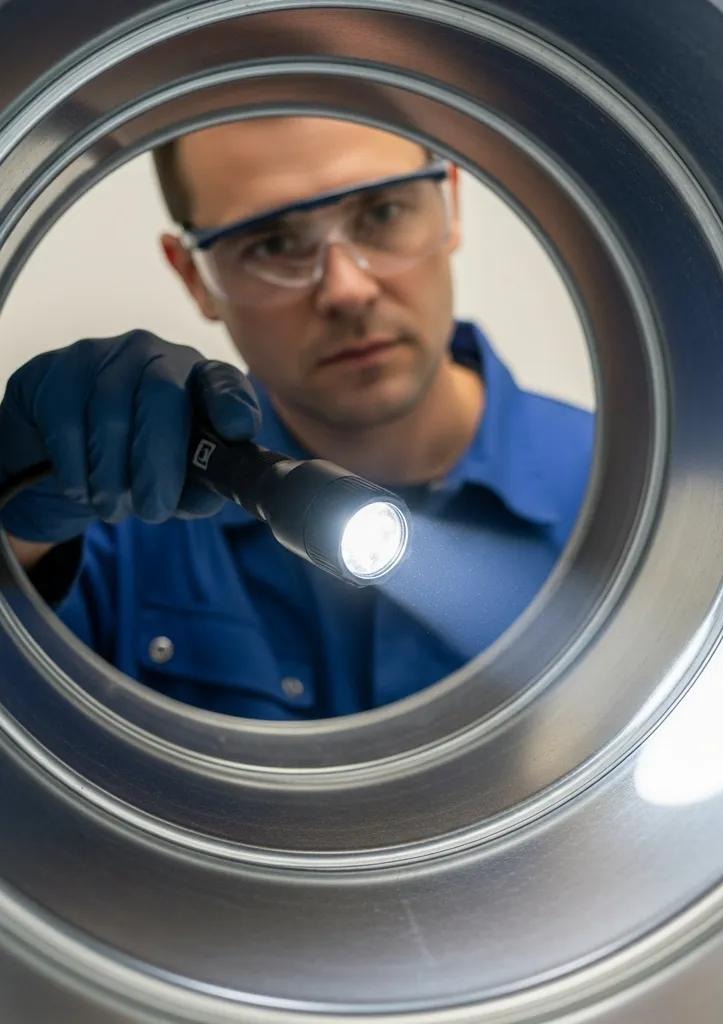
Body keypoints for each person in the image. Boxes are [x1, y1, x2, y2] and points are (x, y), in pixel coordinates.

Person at [0, 116, 594, 720]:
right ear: (193, 276)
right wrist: (15, 540)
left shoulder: (628, 502)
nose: (346, 289)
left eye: (382, 213)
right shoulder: (116, 520)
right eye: (273, 244)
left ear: (452, 204)